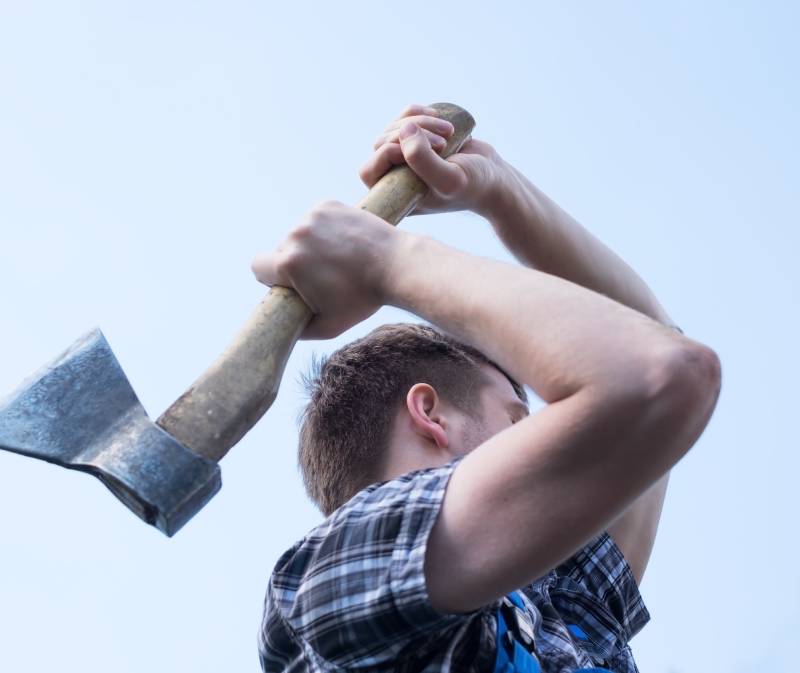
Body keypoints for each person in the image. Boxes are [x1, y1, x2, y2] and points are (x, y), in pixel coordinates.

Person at [251, 104, 721, 672]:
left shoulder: (557, 615)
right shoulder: (337, 576)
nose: (550, 429)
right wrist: (383, 259)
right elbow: (658, 375)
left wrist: (500, 192)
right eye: (517, 417)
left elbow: (652, 342)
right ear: (430, 414)